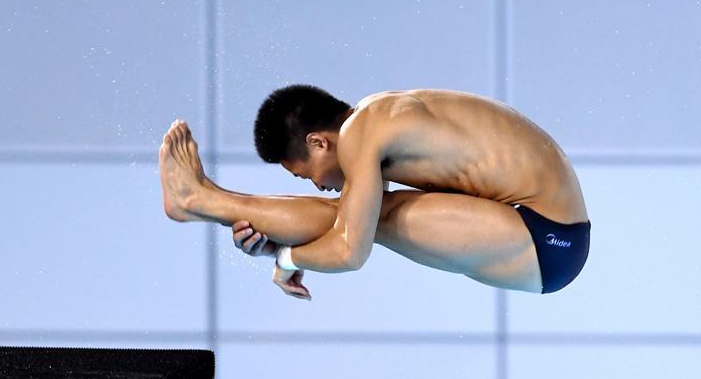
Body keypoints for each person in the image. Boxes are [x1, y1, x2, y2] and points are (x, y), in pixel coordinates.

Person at [159, 86, 591, 301]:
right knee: (360, 214)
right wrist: (284, 243)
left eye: (303, 173)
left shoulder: (361, 133)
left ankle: (200, 200)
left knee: (366, 221)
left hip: (548, 238)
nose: (314, 183)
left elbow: (350, 251)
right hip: (546, 228)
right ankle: (203, 199)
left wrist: (287, 257)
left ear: (318, 142)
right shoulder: (377, 114)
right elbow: (347, 224)